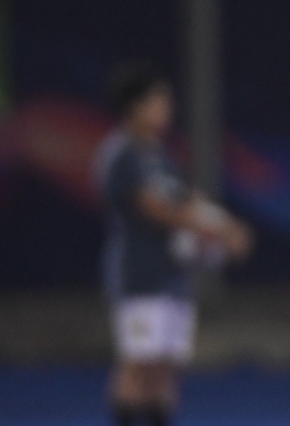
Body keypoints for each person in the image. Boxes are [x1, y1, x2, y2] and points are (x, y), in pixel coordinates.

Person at [94, 62, 254, 426]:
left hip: (172, 275)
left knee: (166, 366)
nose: (166, 107)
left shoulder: (159, 156)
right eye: (157, 100)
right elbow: (157, 208)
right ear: (134, 106)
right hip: (139, 276)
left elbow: (186, 200)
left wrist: (227, 225)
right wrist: (215, 231)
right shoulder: (121, 154)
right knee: (139, 364)